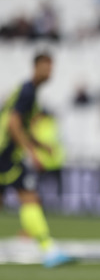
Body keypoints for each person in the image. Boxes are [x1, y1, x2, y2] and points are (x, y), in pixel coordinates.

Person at [0, 52, 72, 268]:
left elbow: (19, 125)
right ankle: (48, 249)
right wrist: (31, 152)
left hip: (5, 151)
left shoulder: (28, 91)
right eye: (45, 67)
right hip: (7, 153)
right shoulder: (28, 91)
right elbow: (13, 125)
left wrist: (41, 146)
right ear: (35, 67)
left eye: (51, 67)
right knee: (29, 197)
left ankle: (47, 248)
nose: (49, 72)